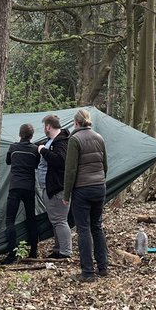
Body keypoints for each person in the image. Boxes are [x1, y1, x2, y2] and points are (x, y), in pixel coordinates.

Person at [62, 109, 109, 282]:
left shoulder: (74, 139)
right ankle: (103, 267)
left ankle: (88, 272)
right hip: (99, 187)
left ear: (76, 123)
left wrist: (66, 194)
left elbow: (71, 169)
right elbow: (105, 165)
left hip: (82, 189)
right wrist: (101, 181)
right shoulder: (99, 137)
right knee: (97, 226)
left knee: (83, 229)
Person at [2, 123, 40, 264]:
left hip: (15, 187)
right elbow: (37, 165)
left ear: (20, 134)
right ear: (31, 136)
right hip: (29, 187)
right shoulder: (35, 149)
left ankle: (12, 255)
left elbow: (7, 161)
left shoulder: (13, 148)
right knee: (31, 218)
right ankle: (34, 252)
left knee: (10, 220)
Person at [36, 113, 72, 260]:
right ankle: (58, 249)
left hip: (58, 187)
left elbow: (60, 161)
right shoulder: (52, 141)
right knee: (55, 220)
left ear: (48, 126)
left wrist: (43, 151)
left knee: (60, 220)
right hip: (51, 187)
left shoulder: (61, 142)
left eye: (44, 127)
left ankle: (65, 252)